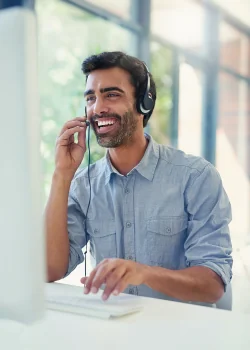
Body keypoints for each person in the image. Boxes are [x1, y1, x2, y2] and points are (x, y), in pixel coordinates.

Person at [45, 51, 233, 307]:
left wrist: (144, 273)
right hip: (114, 332)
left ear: (144, 103)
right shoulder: (83, 185)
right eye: (91, 98)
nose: (98, 108)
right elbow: (50, 269)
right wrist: (61, 174)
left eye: (111, 94)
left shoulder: (195, 177)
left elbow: (213, 285)